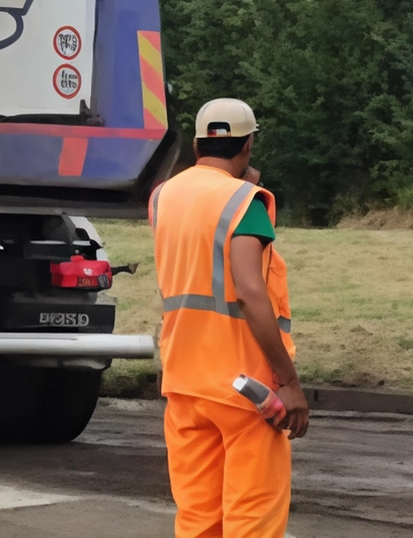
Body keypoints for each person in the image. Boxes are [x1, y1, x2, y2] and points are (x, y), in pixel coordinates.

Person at [149, 97, 307, 538]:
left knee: (199, 520)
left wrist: (239, 179)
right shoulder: (246, 202)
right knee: (251, 521)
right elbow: (250, 293)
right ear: (248, 145)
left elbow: (199, 243)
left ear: (198, 143)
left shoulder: (163, 197)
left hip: (184, 384)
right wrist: (290, 383)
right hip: (247, 391)